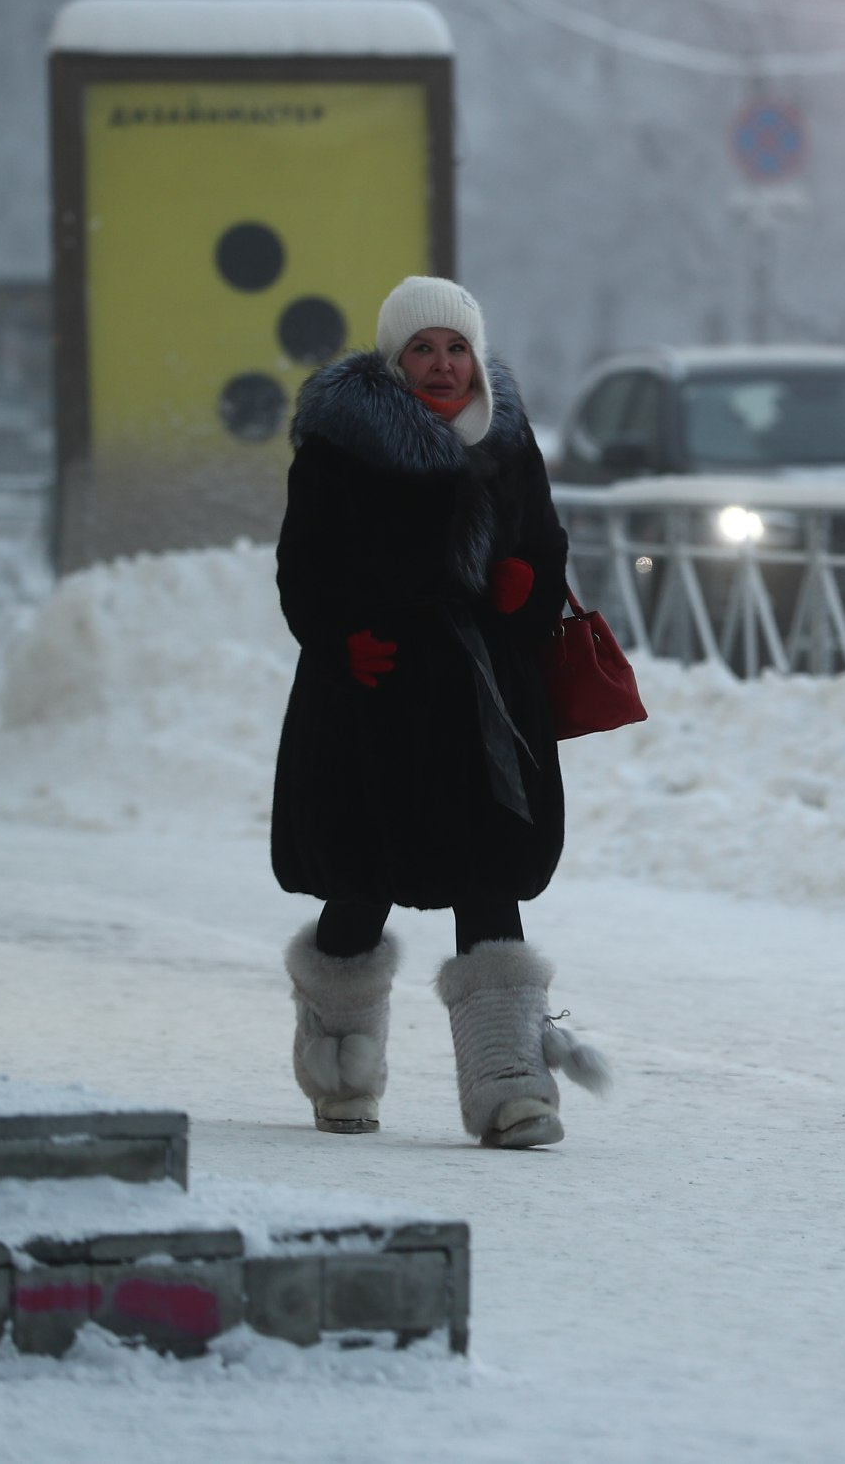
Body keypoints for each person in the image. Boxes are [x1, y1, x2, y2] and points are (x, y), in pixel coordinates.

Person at [269, 275, 609, 1150]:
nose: (443, 364)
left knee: (486, 878)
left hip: (482, 701)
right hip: (371, 703)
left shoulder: (507, 436)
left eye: (456, 347)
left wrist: (525, 588)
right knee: (361, 886)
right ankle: (339, 1064)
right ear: (394, 359)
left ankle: (512, 1087)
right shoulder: (341, 447)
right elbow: (303, 567)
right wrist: (343, 639)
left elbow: (544, 539)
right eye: (422, 348)